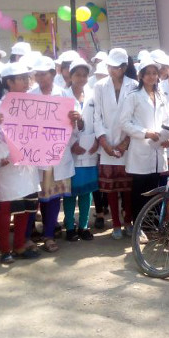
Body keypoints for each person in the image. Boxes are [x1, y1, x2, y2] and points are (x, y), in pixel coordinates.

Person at [0, 62, 42, 263]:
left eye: (27, 78)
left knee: (27, 207)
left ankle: (19, 245)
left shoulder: (32, 103)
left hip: (28, 163)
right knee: (7, 206)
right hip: (8, 165)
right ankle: (4, 249)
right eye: (21, 78)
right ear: (9, 82)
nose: (26, 82)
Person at [31, 56, 80, 253]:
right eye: (38, 74)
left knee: (53, 197)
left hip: (58, 152)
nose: (41, 78)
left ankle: (49, 235)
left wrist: (75, 119)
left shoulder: (64, 96)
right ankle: (35, 234)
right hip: (37, 153)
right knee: (40, 196)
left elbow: (73, 128)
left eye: (45, 74)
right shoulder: (30, 96)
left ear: (53, 74)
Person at [120, 57, 169, 234]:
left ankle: (151, 225)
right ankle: (138, 226)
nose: (151, 76)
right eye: (147, 73)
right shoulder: (133, 96)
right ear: (141, 76)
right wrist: (145, 133)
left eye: (154, 73)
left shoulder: (161, 96)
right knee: (140, 191)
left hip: (159, 150)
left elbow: (168, 120)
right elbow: (125, 123)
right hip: (141, 149)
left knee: (156, 190)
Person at [94, 48, 137, 240]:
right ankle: (116, 224)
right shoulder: (100, 86)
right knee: (111, 188)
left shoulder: (134, 86)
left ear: (124, 67)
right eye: (110, 66)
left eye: (116, 67)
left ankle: (128, 220)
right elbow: (97, 117)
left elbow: (137, 117)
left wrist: (126, 142)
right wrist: (104, 142)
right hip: (107, 144)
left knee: (128, 188)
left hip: (128, 144)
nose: (112, 70)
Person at [64, 58, 98, 241]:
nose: (82, 78)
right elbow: (59, 125)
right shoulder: (63, 96)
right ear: (70, 76)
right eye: (78, 74)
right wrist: (71, 144)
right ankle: (70, 226)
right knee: (71, 191)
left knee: (87, 191)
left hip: (90, 148)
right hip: (70, 151)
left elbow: (99, 120)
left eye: (85, 75)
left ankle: (83, 226)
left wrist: (98, 142)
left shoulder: (93, 95)